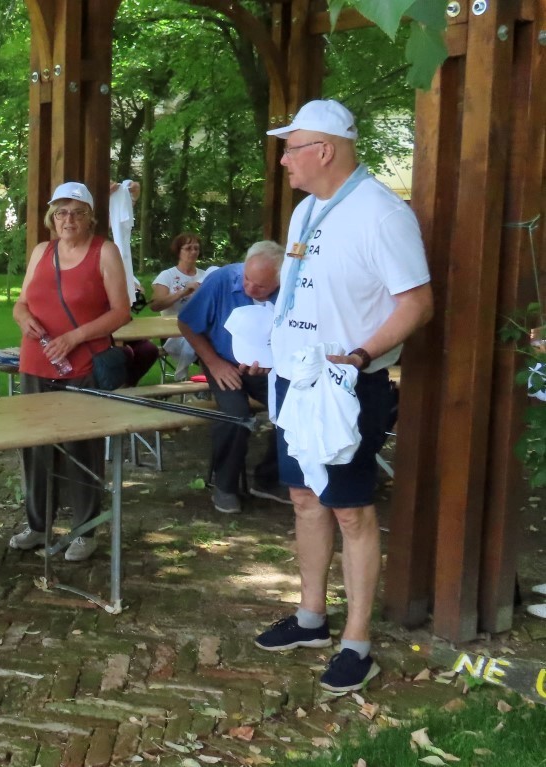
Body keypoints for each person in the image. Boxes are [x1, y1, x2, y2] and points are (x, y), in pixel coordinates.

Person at [255, 99, 432, 693]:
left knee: (351, 509)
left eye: (291, 149)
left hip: (346, 386)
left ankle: (357, 642)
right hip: (295, 380)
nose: (284, 160)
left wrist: (358, 356)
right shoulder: (306, 211)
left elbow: (417, 303)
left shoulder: (382, 215)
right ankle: (311, 618)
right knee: (305, 498)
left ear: (324, 151)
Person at [9, 181, 132, 562]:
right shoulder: (41, 251)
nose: (68, 219)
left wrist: (74, 337)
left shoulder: (104, 251)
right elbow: (21, 302)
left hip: (82, 364)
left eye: (77, 213)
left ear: (90, 217)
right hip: (36, 361)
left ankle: (85, 529)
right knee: (36, 446)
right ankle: (38, 524)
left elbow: (121, 312)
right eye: (61, 212)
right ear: (52, 217)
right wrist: (24, 319)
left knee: (83, 447)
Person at [176, 241, 289, 513]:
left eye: (260, 286)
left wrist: (271, 363)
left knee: (292, 408)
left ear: (279, 280)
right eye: (247, 279)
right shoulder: (222, 279)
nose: (250, 288)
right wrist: (214, 364)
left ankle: (269, 478)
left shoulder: (290, 289)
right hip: (222, 361)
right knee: (235, 415)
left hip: (269, 366)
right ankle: (225, 485)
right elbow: (186, 323)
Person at [152, 233, 216, 380]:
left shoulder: (205, 275)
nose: (193, 252)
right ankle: (205, 383)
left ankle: (208, 383)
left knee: (218, 343)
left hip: (200, 329)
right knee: (206, 346)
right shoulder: (166, 275)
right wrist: (183, 292)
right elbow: (155, 305)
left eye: (196, 248)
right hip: (173, 332)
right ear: (178, 251)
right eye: (188, 248)